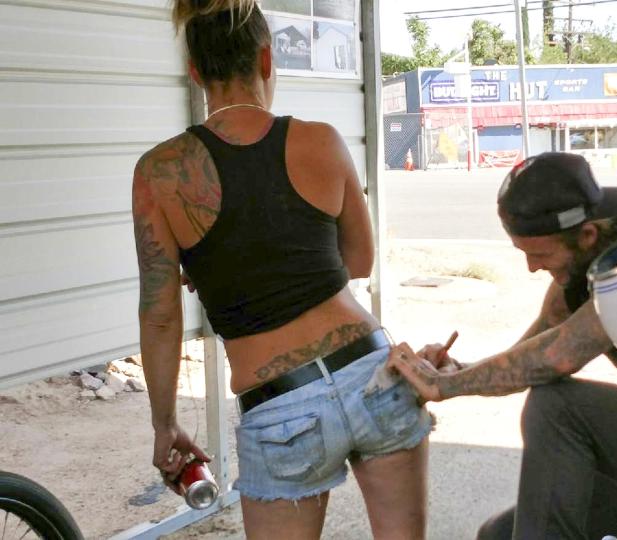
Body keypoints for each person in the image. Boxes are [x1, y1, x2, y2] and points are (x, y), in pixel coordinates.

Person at [132, 1, 431, 538]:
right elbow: (358, 261)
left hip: (280, 406)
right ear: (267, 59)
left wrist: (165, 425)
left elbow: (159, 318)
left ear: (195, 71)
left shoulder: (160, 173)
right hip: (372, 371)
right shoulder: (321, 139)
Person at [388, 152, 617, 539]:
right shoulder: (585, 264)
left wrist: (443, 387)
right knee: (499, 535)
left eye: (539, 254)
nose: (532, 268)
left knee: (557, 408)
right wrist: (459, 369)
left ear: (586, 234)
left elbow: (555, 357)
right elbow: (527, 359)